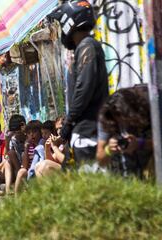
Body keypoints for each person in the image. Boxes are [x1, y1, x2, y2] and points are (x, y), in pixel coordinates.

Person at [48, 0, 109, 167]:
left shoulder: (87, 46)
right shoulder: (84, 47)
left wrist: (68, 123)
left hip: (89, 132)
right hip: (84, 132)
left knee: (90, 187)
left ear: (70, 22)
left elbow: (83, 89)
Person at [98, 84, 154, 179]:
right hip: (125, 177)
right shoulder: (107, 117)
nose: (123, 123)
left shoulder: (151, 105)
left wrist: (140, 143)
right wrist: (108, 149)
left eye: (126, 119)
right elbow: (100, 160)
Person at [15, 120, 43, 193]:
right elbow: (24, 166)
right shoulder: (29, 147)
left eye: (34, 132)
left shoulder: (42, 145)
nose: (31, 135)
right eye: (29, 133)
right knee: (21, 171)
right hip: (30, 173)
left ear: (40, 133)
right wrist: (26, 148)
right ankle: (16, 198)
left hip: (39, 172)